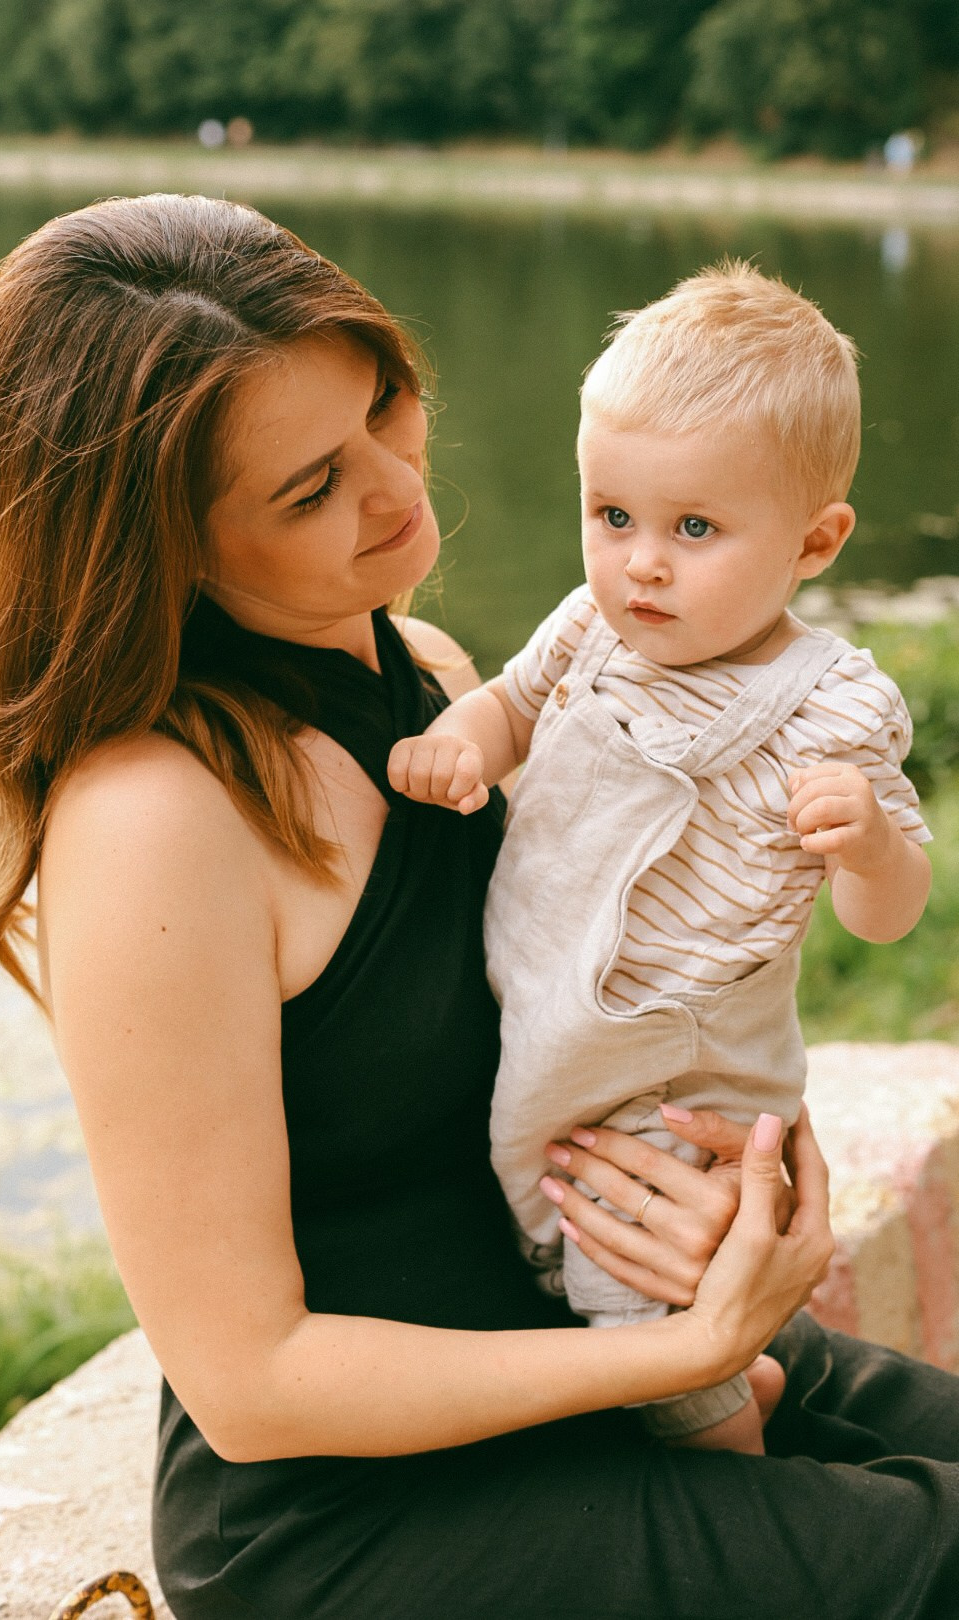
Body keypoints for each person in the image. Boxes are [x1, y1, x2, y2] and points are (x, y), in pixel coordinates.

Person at [0, 195, 959, 1620]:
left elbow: (589, 1005)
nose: (396, 489)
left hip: (584, 1322)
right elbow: (253, 1385)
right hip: (370, 1507)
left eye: (382, 407)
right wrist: (682, 1354)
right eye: (309, 489)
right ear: (157, 545)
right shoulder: (155, 816)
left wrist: (746, 1199)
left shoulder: (426, 670)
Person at [387, 264, 931, 1455]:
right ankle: (754, 1413)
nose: (641, 563)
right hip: (551, 1013)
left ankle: (740, 1488)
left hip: (679, 1083)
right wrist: (455, 742)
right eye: (612, 516)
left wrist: (872, 841)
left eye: (694, 529)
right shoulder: (590, 629)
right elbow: (511, 711)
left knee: (640, 1304)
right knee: (552, 1231)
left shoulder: (825, 709)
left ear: (816, 541)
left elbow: (889, 917)